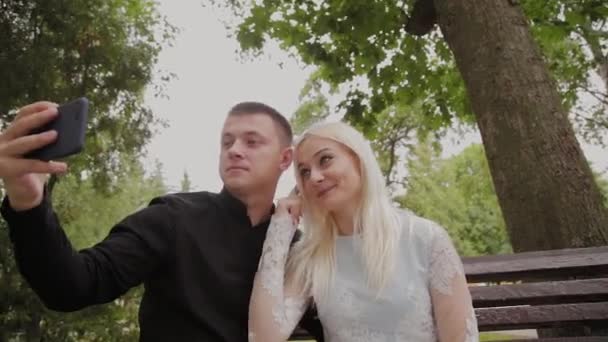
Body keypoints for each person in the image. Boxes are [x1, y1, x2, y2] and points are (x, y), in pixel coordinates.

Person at [0, 100, 324, 341]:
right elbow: (72, 287)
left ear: (285, 158)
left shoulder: (297, 249)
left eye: (252, 142)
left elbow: (338, 323)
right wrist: (28, 201)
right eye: (227, 142)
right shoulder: (173, 217)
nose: (234, 150)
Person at [248, 121, 479, 341]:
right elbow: (264, 337)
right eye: (305, 172)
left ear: (358, 160)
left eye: (325, 160)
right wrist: (279, 230)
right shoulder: (310, 257)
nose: (315, 177)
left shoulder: (424, 238)